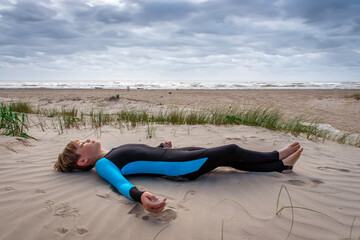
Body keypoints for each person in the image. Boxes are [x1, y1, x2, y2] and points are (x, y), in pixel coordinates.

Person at [54, 140, 303, 213]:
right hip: (181, 167)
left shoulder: (112, 151)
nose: (86, 139)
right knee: (231, 151)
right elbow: (121, 184)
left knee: (226, 159)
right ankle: (276, 156)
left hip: (177, 155)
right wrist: (141, 197)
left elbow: (142, 154)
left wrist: (160, 145)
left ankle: (280, 168)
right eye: (81, 144)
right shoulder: (104, 165)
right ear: (83, 160)